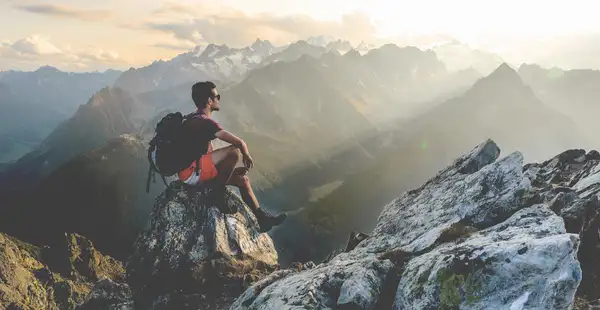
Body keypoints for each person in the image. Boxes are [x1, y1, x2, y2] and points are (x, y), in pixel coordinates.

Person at [178, 81, 286, 232]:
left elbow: (206, 152)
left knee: (243, 180)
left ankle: (262, 219)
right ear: (209, 101)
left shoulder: (194, 118)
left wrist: (227, 171)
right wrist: (246, 155)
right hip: (192, 173)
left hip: (193, 171)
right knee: (233, 152)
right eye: (217, 96)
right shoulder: (205, 122)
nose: (219, 99)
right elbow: (238, 143)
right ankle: (216, 193)